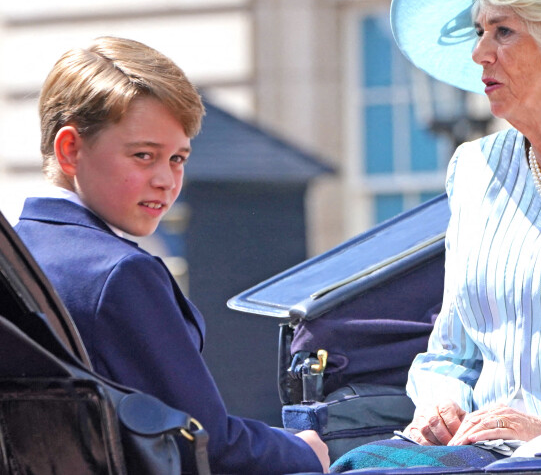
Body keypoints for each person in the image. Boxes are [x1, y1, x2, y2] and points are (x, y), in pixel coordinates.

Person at [14, 36, 329, 475]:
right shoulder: (120, 273)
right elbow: (206, 443)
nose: (166, 180)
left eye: (178, 158)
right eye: (144, 155)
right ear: (70, 150)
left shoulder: (17, 258)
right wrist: (304, 451)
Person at [331, 0, 541, 472]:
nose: (479, 55)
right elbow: (451, 351)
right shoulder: (475, 168)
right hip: (479, 452)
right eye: (478, 32)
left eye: (503, 32)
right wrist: (441, 404)